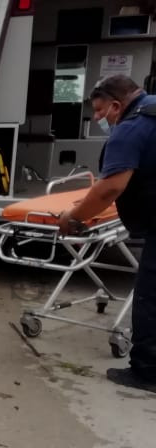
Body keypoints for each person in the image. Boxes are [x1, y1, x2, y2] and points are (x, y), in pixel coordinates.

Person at [58, 75, 156, 392]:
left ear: (116, 105)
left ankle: (147, 372)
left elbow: (109, 189)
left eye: (101, 112)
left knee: (150, 298)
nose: (99, 119)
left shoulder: (129, 130)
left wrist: (73, 217)